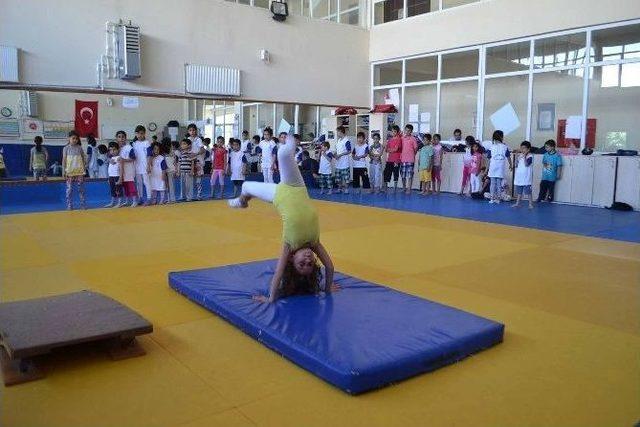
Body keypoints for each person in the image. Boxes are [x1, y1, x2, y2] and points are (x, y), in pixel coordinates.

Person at [228, 135, 336, 303]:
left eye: (302, 264)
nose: (307, 260)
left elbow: (278, 272)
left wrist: (271, 298)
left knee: (246, 185)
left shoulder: (289, 245)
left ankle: (241, 202)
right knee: (284, 155)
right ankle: (292, 137)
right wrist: (327, 289)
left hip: (279, 195)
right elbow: (329, 266)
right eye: (310, 264)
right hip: (297, 187)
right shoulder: (315, 243)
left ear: (292, 259)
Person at [62, 130, 87, 210]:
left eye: (76, 138)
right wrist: (63, 171)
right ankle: (69, 205)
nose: (75, 140)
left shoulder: (79, 148)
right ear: (69, 138)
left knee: (81, 189)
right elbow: (64, 160)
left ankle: (83, 204)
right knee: (69, 190)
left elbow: (83, 158)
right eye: (73, 138)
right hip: (69, 172)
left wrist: (84, 169)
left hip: (79, 172)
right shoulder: (66, 148)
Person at [486, 130, 512, 204]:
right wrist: (511, 165)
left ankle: (491, 199)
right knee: (498, 183)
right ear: (501, 137)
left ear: (493, 137)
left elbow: (488, 159)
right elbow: (508, 157)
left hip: (493, 167)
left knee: (492, 183)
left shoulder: (491, 147)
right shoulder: (505, 147)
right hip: (500, 167)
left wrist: (486, 169)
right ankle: (498, 199)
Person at [117, 130, 138, 207]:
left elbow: (133, 158)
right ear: (117, 138)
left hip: (129, 170)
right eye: (119, 137)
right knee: (125, 186)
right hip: (121, 171)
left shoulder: (129, 147)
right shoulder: (118, 149)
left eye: (123, 137)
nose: (121, 138)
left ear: (125, 138)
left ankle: (135, 200)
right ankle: (127, 201)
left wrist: (124, 160)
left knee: (130, 185)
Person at [132, 125, 152, 204]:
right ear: (136, 134)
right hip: (137, 166)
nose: (140, 135)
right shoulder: (134, 143)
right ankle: (140, 198)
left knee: (146, 182)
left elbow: (149, 155)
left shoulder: (146, 143)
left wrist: (148, 166)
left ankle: (149, 198)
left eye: (142, 133)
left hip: (145, 166)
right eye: (138, 133)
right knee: (139, 183)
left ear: (144, 134)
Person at [512, 141, 534, 209]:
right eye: (521, 148)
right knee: (519, 191)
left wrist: (524, 156)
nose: (522, 150)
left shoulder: (530, 156)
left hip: (526, 177)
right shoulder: (520, 156)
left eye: (524, 148)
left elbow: (526, 164)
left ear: (528, 149)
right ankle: (517, 203)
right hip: (519, 176)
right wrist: (516, 156)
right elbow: (516, 165)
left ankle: (530, 204)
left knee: (528, 192)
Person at [187, 124, 206, 200]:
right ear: (188, 131)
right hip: (190, 161)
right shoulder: (188, 139)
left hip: (198, 161)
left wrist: (196, 153)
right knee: (190, 180)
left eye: (193, 130)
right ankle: (190, 196)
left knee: (198, 180)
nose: (192, 132)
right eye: (190, 130)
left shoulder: (198, 139)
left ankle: (199, 195)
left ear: (196, 131)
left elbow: (202, 150)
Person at [400, 124, 418, 195]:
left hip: (410, 160)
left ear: (411, 131)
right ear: (404, 130)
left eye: (409, 131)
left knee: (410, 175)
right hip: (403, 159)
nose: (407, 132)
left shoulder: (413, 139)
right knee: (403, 175)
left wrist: (413, 155)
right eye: (406, 130)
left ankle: (409, 189)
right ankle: (404, 188)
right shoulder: (402, 138)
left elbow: (416, 148)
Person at [383, 125, 402, 193]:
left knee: (395, 173)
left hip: (396, 160)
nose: (393, 133)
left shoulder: (399, 139)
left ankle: (395, 188)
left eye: (395, 131)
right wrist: (392, 149)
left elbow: (396, 149)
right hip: (389, 159)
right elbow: (386, 150)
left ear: (397, 132)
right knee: (386, 172)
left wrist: (390, 149)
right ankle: (385, 188)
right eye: (392, 131)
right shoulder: (390, 140)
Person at [104, 142, 123, 208]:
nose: (112, 151)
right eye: (111, 150)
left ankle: (119, 202)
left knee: (118, 190)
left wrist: (120, 178)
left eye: (114, 149)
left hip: (117, 176)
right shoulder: (110, 159)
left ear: (118, 150)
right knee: (112, 190)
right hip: (111, 177)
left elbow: (121, 169)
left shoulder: (119, 158)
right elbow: (110, 169)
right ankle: (112, 202)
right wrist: (109, 178)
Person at [334, 126, 352, 194]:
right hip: (338, 162)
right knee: (338, 177)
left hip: (344, 163)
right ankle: (339, 188)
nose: (337, 133)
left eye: (337, 131)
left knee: (346, 177)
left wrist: (340, 155)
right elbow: (337, 150)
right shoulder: (338, 140)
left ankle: (346, 189)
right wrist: (335, 154)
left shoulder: (346, 140)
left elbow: (349, 151)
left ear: (341, 131)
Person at [162, 138, 177, 204]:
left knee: (169, 185)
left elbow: (174, 161)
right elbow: (175, 162)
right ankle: (169, 198)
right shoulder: (168, 152)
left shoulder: (167, 153)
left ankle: (172, 199)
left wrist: (176, 170)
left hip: (169, 170)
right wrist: (176, 170)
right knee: (168, 185)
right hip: (169, 170)